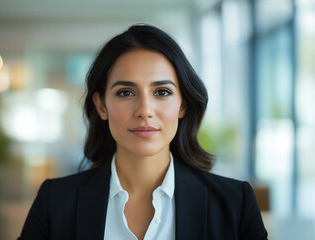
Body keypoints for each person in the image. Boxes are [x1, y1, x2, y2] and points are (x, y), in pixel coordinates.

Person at [18, 24, 268, 240]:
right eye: (126, 92)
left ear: (183, 105)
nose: (145, 110)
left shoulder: (235, 203)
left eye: (162, 92)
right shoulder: (55, 201)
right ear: (101, 105)